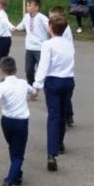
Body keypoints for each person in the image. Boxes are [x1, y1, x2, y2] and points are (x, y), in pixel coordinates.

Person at [32, 15, 75, 171]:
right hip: (68, 81)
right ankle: (60, 143)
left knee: (54, 116)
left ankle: (52, 153)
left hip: (53, 82)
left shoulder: (48, 44)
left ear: (50, 27)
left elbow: (44, 66)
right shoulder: (69, 44)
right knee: (62, 114)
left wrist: (36, 86)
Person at [0, 57, 35, 186]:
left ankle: (17, 175)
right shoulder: (23, 83)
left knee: (12, 146)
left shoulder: (1, 86)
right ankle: (9, 180)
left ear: (1, 71)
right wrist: (33, 96)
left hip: (7, 122)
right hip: (21, 122)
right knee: (18, 154)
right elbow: (33, 91)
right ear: (16, 70)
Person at [10, 0, 49, 85]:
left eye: (30, 6)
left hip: (40, 48)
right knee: (28, 70)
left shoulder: (42, 18)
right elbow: (22, 25)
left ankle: (42, 86)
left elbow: (50, 28)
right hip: (29, 48)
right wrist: (16, 28)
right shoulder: (26, 16)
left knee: (41, 71)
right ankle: (31, 87)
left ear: (37, 7)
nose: (27, 8)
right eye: (27, 6)